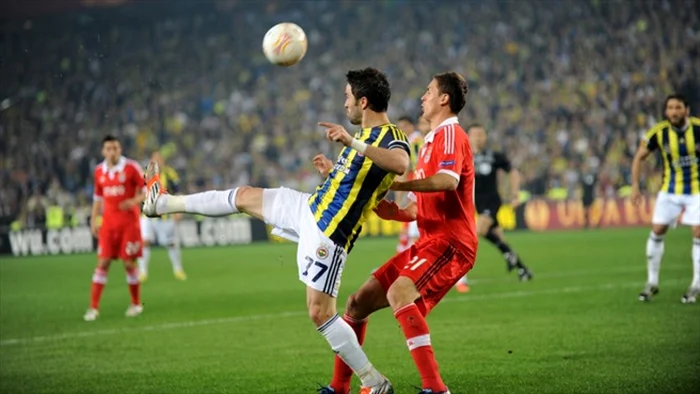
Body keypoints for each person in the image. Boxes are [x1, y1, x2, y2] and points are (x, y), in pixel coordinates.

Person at [143, 68, 410, 393]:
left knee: (319, 313)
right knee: (243, 196)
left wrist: (350, 141)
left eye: (347, 97)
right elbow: (357, 184)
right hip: (310, 208)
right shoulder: (359, 142)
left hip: (330, 233)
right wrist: (332, 172)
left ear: (363, 101)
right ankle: (162, 204)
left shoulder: (391, 136)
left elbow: (399, 164)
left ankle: (374, 382)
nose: (345, 105)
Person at [319, 72, 474, 394]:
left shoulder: (450, 135)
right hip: (428, 242)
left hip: (451, 242)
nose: (423, 97)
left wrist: (399, 183)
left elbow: (449, 181)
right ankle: (339, 387)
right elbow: (417, 209)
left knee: (399, 293)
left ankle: (436, 388)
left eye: (429, 91)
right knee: (357, 303)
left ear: (444, 99)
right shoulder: (431, 141)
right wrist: (393, 211)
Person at [631, 94, 700, 303]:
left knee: (698, 232)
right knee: (657, 230)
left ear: (686, 110)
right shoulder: (659, 133)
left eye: (678, 107)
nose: (673, 112)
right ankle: (652, 283)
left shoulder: (698, 129)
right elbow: (639, 157)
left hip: (697, 191)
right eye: (670, 108)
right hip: (669, 191)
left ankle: (696, 285)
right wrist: (635, 187)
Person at [454, 124, 533, 293]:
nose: (478, 138)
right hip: (475, 204)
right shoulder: (462, 156)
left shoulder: (493, 156)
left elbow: (512, 171)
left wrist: (515, 194)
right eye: (475, 134)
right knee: (499, 239)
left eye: (481, 134)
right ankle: (522, 269)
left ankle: (459, 274)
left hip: (491, 202)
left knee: (477, 231)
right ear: (467, 136)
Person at [84, 135, 146, 321]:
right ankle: (93, 308)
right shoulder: (98, 171)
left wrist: (133, 201)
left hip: (129, 224)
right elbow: (97, 198)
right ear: (103, 151)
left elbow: (147, 190)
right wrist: (94, 220)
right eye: (109, 149)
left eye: (116, 148)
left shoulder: (131, 167)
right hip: (109, 225)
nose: (112, 152)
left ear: (120, 149)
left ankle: (136, 304)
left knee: (129, 264)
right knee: (103, 263)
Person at [138, 151, 187, 282]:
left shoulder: (170, 173)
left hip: (165, 215)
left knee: (171, 243)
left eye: (159, 159)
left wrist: (178, 210)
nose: (157, 162)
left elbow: (178, 192)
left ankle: (178, 269)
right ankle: (142, 272)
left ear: (163, 161)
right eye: (155, 160)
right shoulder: (145, 174)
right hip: (147, 215)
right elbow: (138, 192)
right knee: (145, 241)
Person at [395, 115, 429, 253]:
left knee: (414, 233)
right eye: (399, 128)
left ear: (411, 126)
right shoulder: (413, 142)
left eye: (404, 127)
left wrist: (399, 197)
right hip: (418, 192)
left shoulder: (416, 142)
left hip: (422, 192)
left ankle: (408, 266)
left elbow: (405, 172)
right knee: (412, 232)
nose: (401, 130)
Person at [580, 162, 598, 229]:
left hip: (589, 194)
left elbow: (592, 184)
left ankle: (591, 223)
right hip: (585, 195)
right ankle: (587, 223)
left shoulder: (589, 176)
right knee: (586, 210)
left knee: (590, 209)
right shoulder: (583, 175)